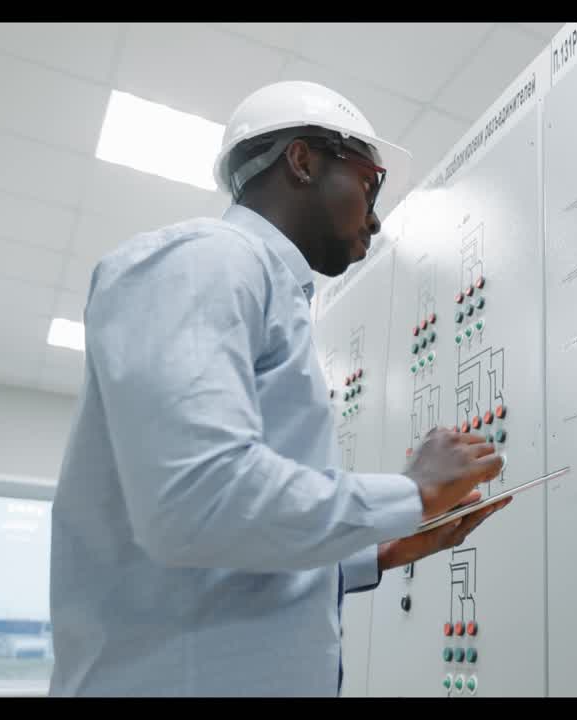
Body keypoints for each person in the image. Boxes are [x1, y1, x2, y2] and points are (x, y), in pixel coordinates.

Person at [48, 81, 508, 697]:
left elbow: (226, 555)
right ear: (302, 160)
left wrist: (378, 551)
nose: (375, 218)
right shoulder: (205, 260)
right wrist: (409, 493)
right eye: (370, 184)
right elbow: (195, 500)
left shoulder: (268, 292)